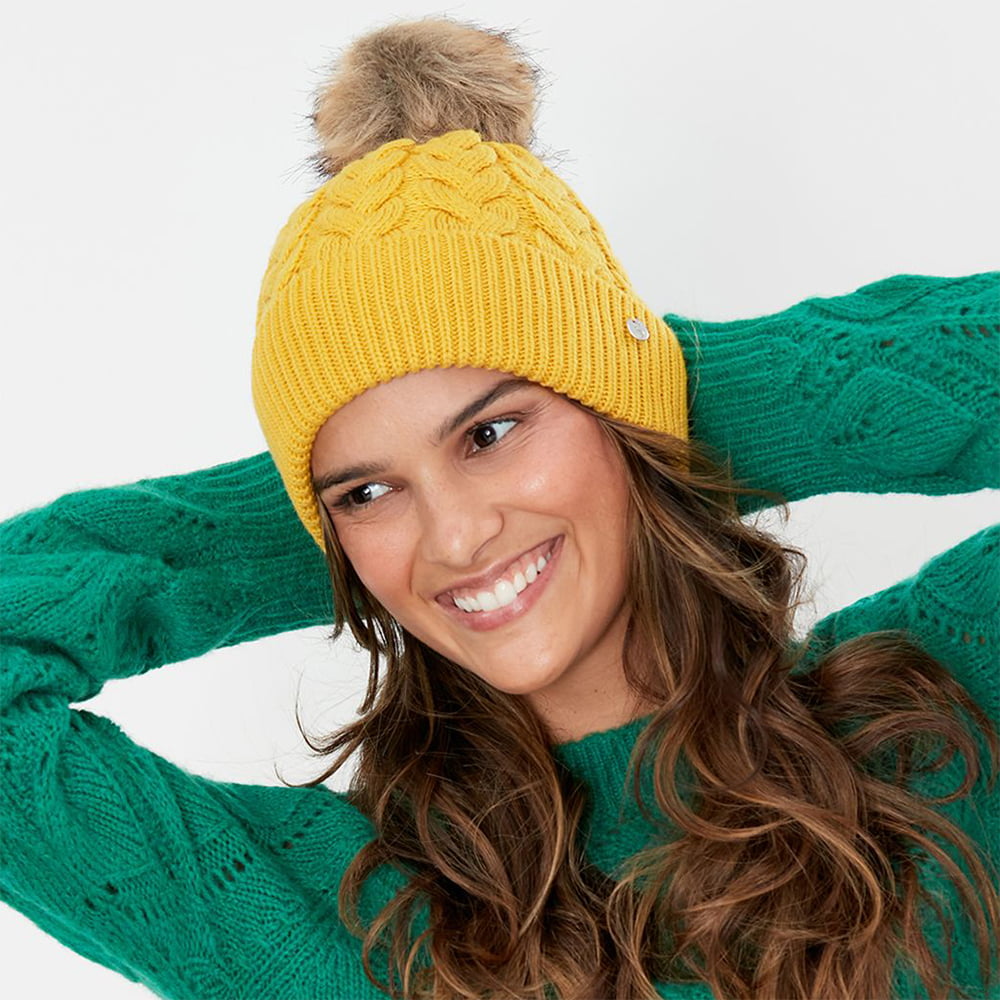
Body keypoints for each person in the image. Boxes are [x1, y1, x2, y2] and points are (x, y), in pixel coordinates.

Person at [1, 15, 997, 1000]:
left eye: (489, 433)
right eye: (368, 491)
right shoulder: (348, 916)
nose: (456, 534)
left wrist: (655, 409)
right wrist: (341, 519)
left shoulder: (937, 724)